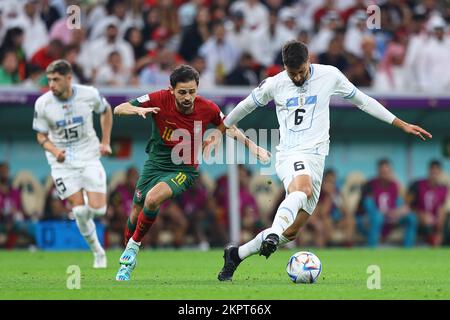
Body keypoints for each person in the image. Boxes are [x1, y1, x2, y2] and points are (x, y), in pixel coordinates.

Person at [205, 40, 432, 281]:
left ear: (309, 61)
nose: (298, 77)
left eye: (301, 71)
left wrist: (400, 123)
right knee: (300, 190)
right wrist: (219, 130)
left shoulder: (330, 75)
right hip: (291, 153)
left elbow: (363, 101)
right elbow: (244, 106)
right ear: (285, 68)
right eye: (292, 73)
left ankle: (236, 255)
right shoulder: (275, 84)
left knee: (291, 232)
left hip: (316, 158)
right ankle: (272, 231)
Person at [113, 64, 270, 281]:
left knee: (152, 200)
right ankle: (126, 260)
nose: (188, 97)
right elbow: (118, 108)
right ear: (171, 90)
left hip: (184, 169)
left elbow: (229, 126)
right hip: (155, 164)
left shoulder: (207, 108)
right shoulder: (158, 98)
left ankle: (133, 248)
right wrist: (138, 109)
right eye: (182, 92)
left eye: (192, 91)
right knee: (135, 211)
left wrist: (253, 147)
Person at [32, 59, 113, 268]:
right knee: (78, 210)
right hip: (62, 163)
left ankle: (87, 207)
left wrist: (105, 141)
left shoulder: (89, 94)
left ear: (69, 78)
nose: (51, 84)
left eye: (56, 80)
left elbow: (106, 110)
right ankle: (98, 252)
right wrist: (54, 150)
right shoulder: (43, 103)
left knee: (100, 210)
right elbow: (41, 136)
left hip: (88, 155)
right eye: (49, 80)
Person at [356, 159, 417, 247]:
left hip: (390, 216)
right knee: (377, 217)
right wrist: (386, 213)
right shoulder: (370, 184)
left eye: (387, 172)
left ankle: (408, 250)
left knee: (411, 218)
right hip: (370, 218)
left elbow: (401, 204)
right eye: (383, 172)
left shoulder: (394, 185)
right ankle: (371, 249)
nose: (385, 174)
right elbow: (368, 206)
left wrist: (397, 212)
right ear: (378, 171)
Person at [407, 160, 448, 246]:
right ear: (428, 171)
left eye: (437, 172)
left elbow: (441, 208)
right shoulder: (417, 184)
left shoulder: (443, 188)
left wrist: (439, 224)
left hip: (434, 221)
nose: (434, 175)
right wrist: (420, 214)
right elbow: (407, 204)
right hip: (419, 219)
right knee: (415, 220)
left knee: (444, 223)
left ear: (440, 173)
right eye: (432, 172)